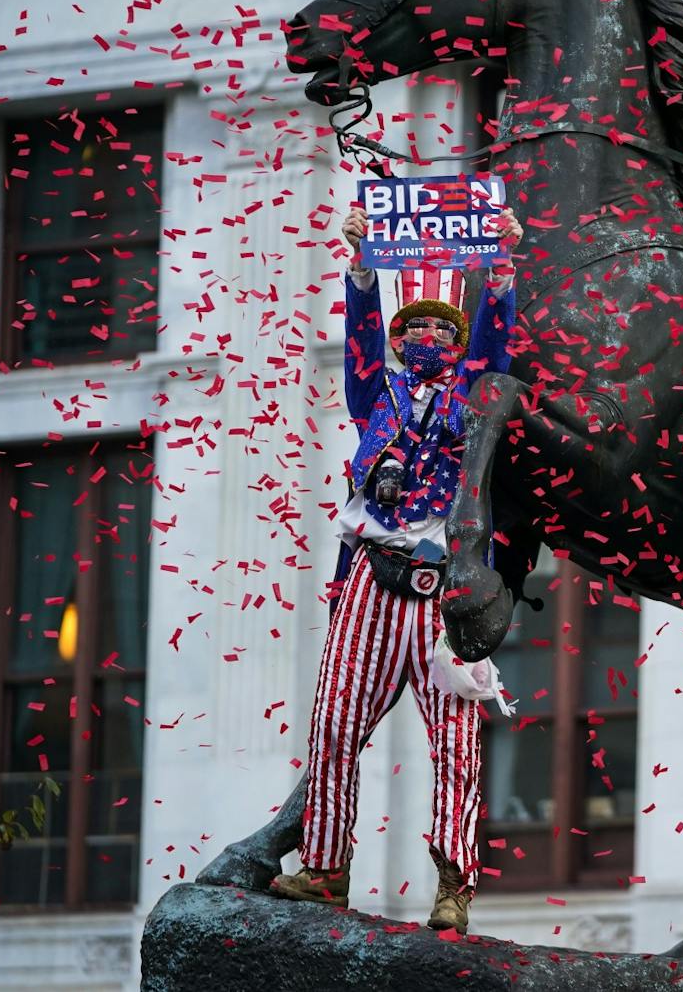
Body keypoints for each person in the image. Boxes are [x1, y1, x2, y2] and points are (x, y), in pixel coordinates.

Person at [269, 201, 520, 932]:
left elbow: (495, 348)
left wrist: (501, 271)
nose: (427, 338)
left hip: (441, 593)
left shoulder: (470, 397)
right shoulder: (373, 397)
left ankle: (453, 884)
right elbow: (356, 341)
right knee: (333, 722)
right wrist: (360, 266)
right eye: (413, 329)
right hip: (373, 579)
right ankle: (325, 867)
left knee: (456, 739)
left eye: (442, 328)